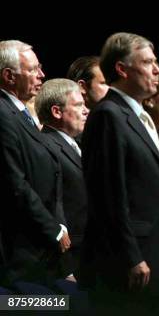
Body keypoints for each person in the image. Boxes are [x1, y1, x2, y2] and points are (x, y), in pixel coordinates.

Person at [79, 33, 159, 313]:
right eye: (148, 62)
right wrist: (130, 256)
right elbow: (107, 194)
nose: (157, 70)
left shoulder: (140, 117)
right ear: (122, 69)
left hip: (158, 259)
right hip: (130, 264)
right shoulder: (109, 115)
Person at [0, 40, 71, 291]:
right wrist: (53, 229)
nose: (41, 74)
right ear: (9, 76)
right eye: (33, 69)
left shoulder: (19, 113)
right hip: (21, 254)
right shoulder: (2, 113)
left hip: (38, 251)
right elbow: (13, 182)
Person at [36, 79, 89, 281]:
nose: (86, 111)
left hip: (86, 255)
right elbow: (50, 205)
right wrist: (65, 266)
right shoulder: (46, 146)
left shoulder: (73, 144)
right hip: (69, 260)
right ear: (57, 112)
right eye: (78, 105)